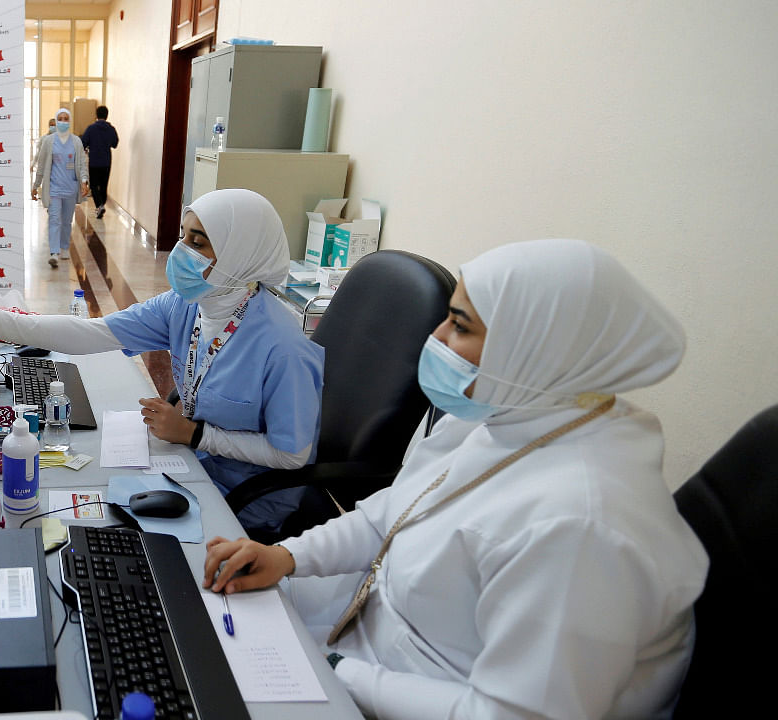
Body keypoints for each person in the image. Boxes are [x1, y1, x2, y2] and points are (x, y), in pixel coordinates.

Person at [202, 238, 708, 719]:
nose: (436, 338)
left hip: (416, 688)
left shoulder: (580, 527)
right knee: (198, 629)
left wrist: (333, 670)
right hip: (377, 628)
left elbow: (509, 713)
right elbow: (389, 517)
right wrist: (287, 557)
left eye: (460, 326)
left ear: (533, 346)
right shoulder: (504, 414)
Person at [0, 189, 323, 533]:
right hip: (188, 463)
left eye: (198, 242)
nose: (182, 250)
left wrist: (194, 435)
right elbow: (93, 332)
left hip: (243, 498)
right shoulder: (187, 305)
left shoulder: (282, 348)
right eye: (183, 237)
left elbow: (293, 455)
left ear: (242, 252)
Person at [31, 107, 88, 269]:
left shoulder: (76, 141)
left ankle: (64, 247)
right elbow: (41, 166)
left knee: (67, 221)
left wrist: (84, 181)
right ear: (56, 121)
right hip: (54, 189)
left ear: (69, 121)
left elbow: (82, 164)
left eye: (66, 118)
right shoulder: (49, 141)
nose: (63, 122)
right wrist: (35, 186)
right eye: (60, 119)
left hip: (70, 189)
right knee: (54, 219)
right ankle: (54, 252)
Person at [80, 105, 119, 219]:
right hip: (106, 161)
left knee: (93, 185)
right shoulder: (111, 129)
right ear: (107, 116)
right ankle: (101, 206)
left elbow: (83, 143)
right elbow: (115, 144)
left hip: (94, 162)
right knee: (103, 186)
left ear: (96, 115)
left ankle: (100, 205)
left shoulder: (91, 128)